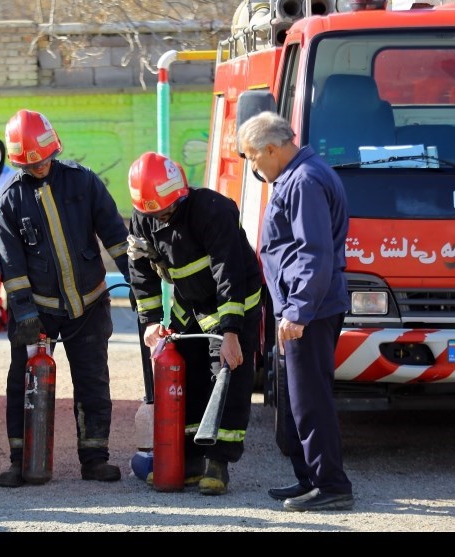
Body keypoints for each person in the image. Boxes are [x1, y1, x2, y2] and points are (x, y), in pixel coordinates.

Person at [0, 109, 131, 487]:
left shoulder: (83, 182)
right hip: (38, 311)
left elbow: (116, 236)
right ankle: (21, 461)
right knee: (23, 385)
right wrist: (24, 315)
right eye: (30, 163)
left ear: (53, 149)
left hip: (88, 304)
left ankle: (94, 459)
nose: (39, 166)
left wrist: (141, 284)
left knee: (92, 381)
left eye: (43, 158)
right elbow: (11, 266)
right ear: (19, 161)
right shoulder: (8, 200)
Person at [237, 111, 354, 512]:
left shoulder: (303, 181)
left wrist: (298, 312)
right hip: (301, 308)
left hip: (311, 311)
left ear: (272, 148)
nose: (253, 167)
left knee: (311, 400)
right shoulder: (298, 175)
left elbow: (314, 253)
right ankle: (309, 479)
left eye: (253, 158)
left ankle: (331, 485)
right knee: (297, 399)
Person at [126, 151, 262, 496]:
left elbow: (228, 272)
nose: (162, 217)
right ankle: (187, 462)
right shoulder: (143, 217)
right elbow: (140, 273)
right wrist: (151, 322)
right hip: (191, 308)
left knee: (227, 382)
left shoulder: (212, 211)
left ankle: (218, 463)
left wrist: (231, 332)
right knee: (188, 382)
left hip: (235, 305)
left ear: (180, 194)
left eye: (167, 210)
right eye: (154, 212)